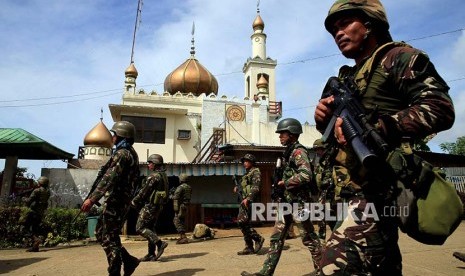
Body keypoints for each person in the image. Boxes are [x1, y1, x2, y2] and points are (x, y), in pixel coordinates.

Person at [314, 1, 455, 275]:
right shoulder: (347, 78)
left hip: (381, 190)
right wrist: (324, 121)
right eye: (333, 29)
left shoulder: (399, 57)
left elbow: (440, 108)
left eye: (345, 24)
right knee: (382, 265)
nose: (338, 33)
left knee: (332, 268)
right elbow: (336, 137)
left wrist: (382, 127)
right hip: (348, 189)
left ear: (369, 24)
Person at [242, 118, 323, 276]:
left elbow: (306, 175)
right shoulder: (289, 152)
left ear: (292, 134)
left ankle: (323, 270)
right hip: (287, 203)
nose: (280, 136)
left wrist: (285, 183)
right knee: (276, 239)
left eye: (283, 133)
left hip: (299, 204)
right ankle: (265, 272)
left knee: (309, 239)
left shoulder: (299, 152)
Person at [81, 121, 140, 276]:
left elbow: (109, 179)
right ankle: (129, 261)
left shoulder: (122, 154)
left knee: (108, 236)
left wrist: (92, 199)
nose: (112, 137)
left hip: (116, 201)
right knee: (102, 233)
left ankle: (115, 271)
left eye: (115, 134)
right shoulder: (129, 153)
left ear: (122, 136)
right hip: (120, 201)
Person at [131, 154, 169, 262]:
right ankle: (151, 254)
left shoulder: (154, 177)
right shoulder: (164, 176)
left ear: (155, 164)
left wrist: (134, 201)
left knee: (140, 228)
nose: (148, 165)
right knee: (150, 228)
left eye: (150, 163)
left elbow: (144, 192)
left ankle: (160, 243)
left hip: (150, 206)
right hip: (158, 207)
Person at [234, 153, 265, 255]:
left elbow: (256, 187)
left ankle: (258, 238)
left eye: (247, 161)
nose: (245, 163)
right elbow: (244, 187)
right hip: (244, 200)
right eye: (244, 161)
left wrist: (248, 198)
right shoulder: (246, 174)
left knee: (241, 221)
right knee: (244, 223)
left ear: (252, 162)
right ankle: (249, 246)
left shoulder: (255, 172)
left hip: (249, 201)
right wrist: (237, 188)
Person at [22, 176, 51, 252]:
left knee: (24, 228)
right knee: (35, 229)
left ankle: (36, 240)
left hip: (33, 212)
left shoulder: (37, 191)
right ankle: (35, 247)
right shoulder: (48, 192)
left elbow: (29, 202)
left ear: (41, 182)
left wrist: (23, 198)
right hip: (40, 213)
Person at [172, 173, 192, 244]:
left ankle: (183, 237)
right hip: (185, 206)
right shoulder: (189, 187)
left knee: (176, 220)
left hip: (180, 206)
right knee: (181, 220)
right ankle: (182, 237)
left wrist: (171, 195)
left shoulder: (180, 187)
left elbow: (176, 197)